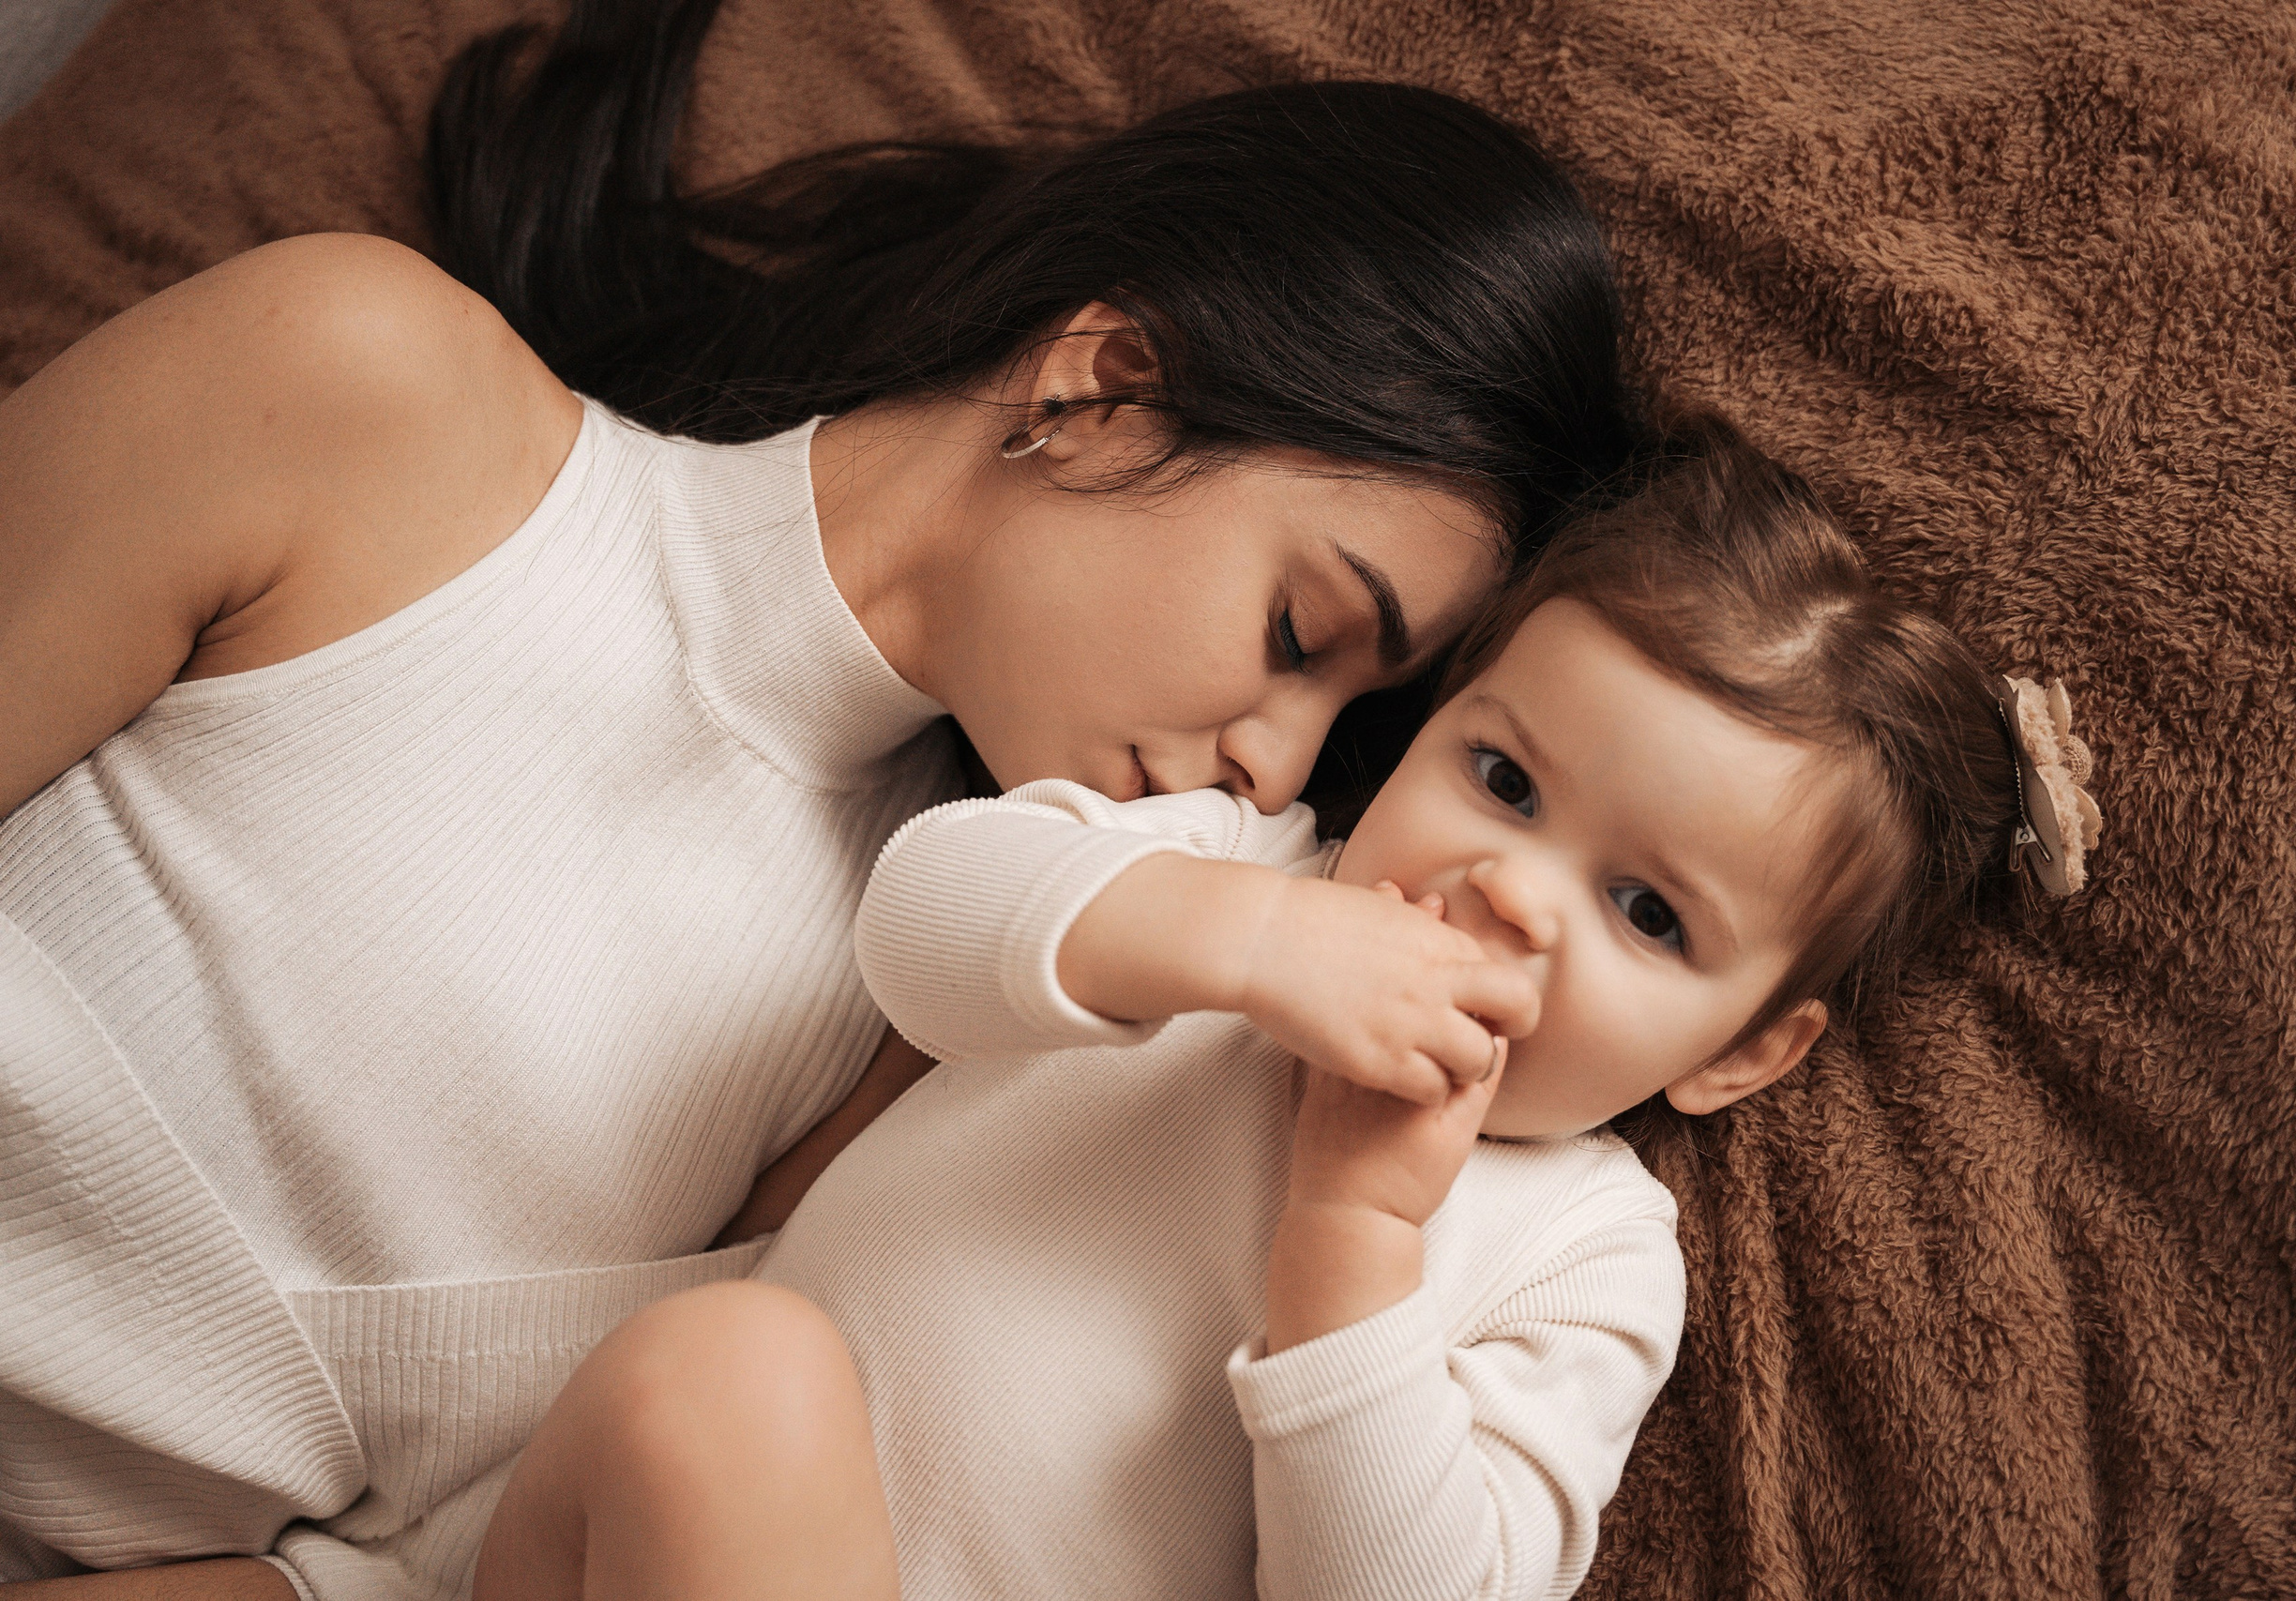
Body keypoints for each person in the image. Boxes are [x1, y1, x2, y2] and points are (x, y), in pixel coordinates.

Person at [0, 1, 1649, 1593]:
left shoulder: (930, 1037)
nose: (1277, 766)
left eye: (1348, 712)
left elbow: (433, 1553)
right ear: (1102, 388)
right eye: (1300, 635)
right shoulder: (364, 392)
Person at [466, 418, 2106, 1600]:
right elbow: (922, 924)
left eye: (1650, 912)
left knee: (734, 1375)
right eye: (1504, 777)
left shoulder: (1585, 1257)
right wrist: (1236, 940)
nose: (1511, 891)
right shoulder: (1230, 864)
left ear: (1744, 1051)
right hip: (642, 1531)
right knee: (723, 1378)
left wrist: (1354, 1235)